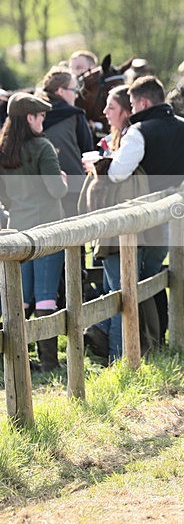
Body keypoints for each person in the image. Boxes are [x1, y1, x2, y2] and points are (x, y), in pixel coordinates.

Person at [83, 76, 184, 359]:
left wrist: (100, 162)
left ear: (143, 102)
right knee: (147, 285)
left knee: (124, 291)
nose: (132, 110)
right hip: (166, 217)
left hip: (136, 218)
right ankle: (146, 346)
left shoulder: (138, 132)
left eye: (133, 105)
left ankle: (119, 356)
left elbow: (117, 174)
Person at [0, 92, 68, 371]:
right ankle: (49, 360)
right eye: (40, 116)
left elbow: (3, 197)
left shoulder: (3, 150)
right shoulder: (42, 147)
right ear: (30, 118)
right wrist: (62, 179)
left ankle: (16, 357)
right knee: (46, 294)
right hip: (46, 230)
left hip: (17, 230)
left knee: (21, 297)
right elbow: (57, 190)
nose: (42, 121)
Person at [39, 65, 94, 218]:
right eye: (74, 90)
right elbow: (87, 151)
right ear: (61, 91)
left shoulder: (34, 116)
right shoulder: (75, 115)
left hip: (41, 187)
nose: (76, 95)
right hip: (74, 187)